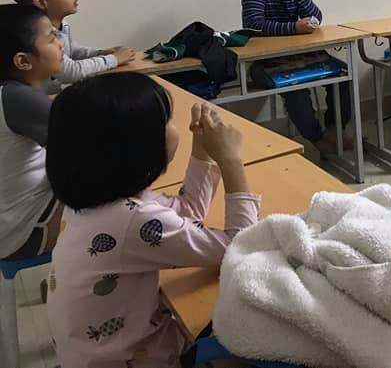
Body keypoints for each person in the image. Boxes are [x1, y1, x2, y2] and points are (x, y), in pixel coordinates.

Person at [45, 72, 260, 368]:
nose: (175, 125)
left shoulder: (96, 202)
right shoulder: (131, 221)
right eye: (168, 120)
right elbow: (241, 247)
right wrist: (232, 161)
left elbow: (187, 213)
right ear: (136, 148)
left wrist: (202, 147)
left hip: (93, 355)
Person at [241, 0, 352, 154]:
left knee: (343, 75)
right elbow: (253, 25)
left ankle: (335, 128)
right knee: (295, 89)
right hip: (267, 62)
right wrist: (293, 27)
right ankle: (316, 139)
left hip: (303, 56)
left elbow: (316, 18)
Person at [0, 4, 64, 260]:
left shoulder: (9, 93)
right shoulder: (19, 99)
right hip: (23, 237)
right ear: (23, 61)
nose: (60, 43)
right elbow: (84, 149)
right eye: (51, 37)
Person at [8, 0, 136, 89]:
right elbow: (69, 71)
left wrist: (99, 53)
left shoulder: (62, 25)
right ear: (41, 2)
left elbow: (73, 51)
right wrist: (113, 59)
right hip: (40, 99)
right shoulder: (40, 35)